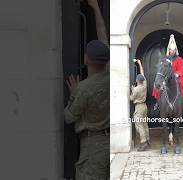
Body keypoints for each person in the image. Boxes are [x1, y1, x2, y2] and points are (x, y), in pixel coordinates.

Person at [64, 0, 109, 179]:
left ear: (85, 59)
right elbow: (103, 34)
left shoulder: (83, 89)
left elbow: (68, 117)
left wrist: (73, 93)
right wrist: (96, 8)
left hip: (93, 147)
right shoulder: (109, 74)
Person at [153, 34, 183, 111]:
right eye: (171, 50)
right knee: (157, 80)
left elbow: (182, 69)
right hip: (165, 76)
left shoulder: (179, 59)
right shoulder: (165, 58)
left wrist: (177, 73)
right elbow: (161, 67)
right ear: (169, 50)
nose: (172, 51)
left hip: (176, 76)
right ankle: (157, 102)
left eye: (174, 50)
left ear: (175, 50)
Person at [130, 59, 151, 151]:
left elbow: (131, 98)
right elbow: (143, 74)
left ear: (137, 80)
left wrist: (132, 90)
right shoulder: (144, 85)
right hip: (144, 107)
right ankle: (147, 139)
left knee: (139, 125)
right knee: (145, 124)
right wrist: (139, 64)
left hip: (138, 107)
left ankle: (143, 143)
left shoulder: (136, 89)